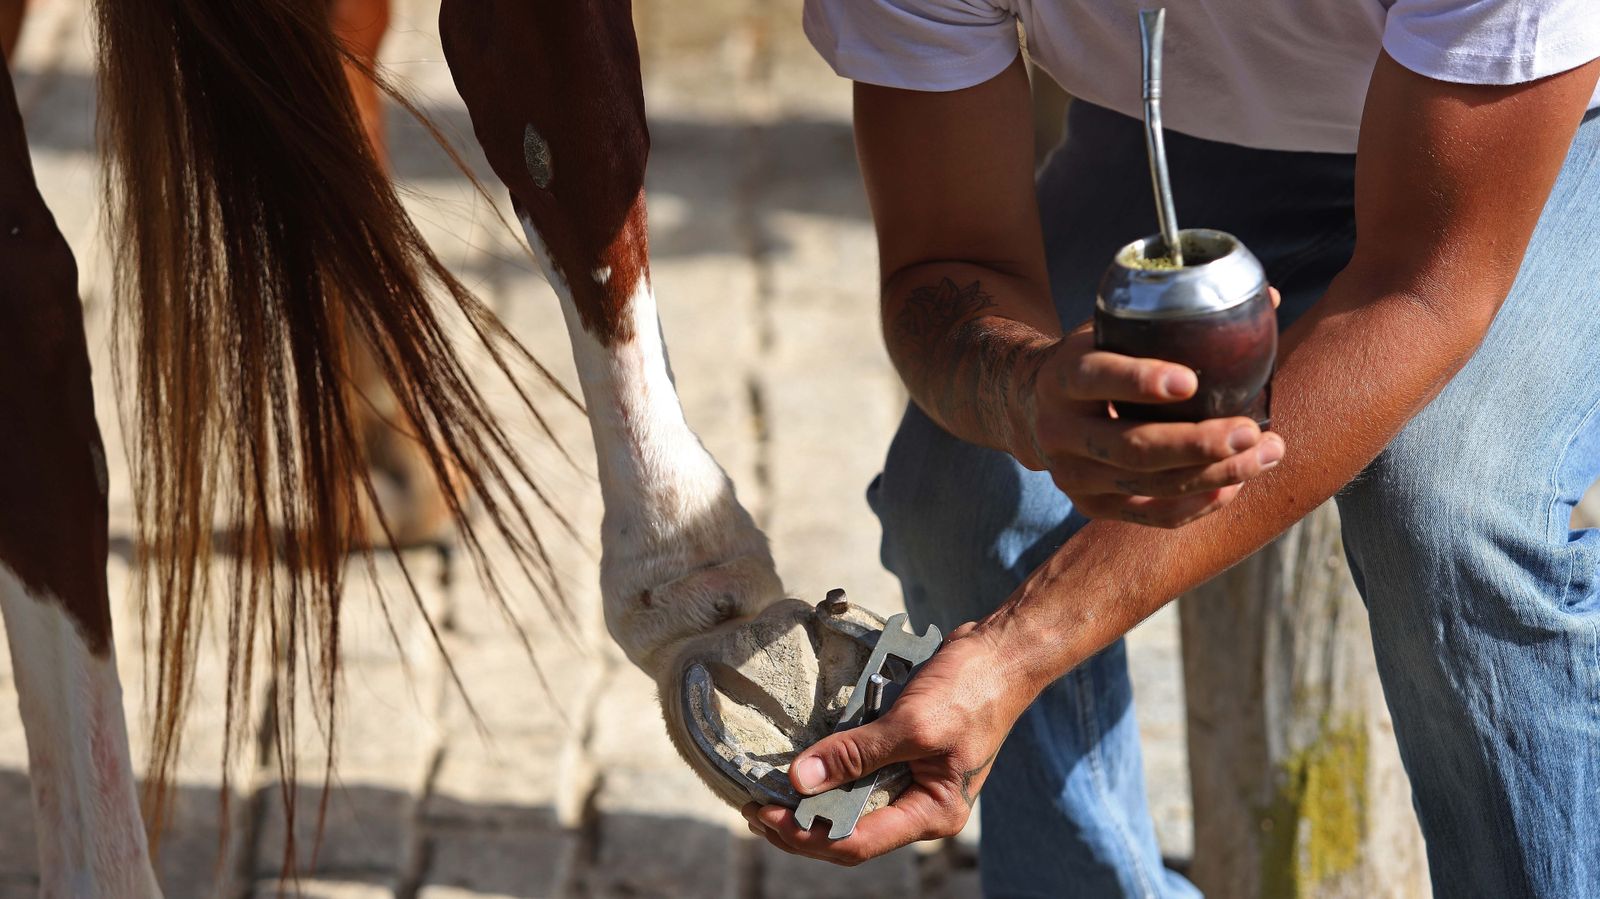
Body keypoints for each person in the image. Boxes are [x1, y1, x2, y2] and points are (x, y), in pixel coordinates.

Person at [739, 1, 1600, 895]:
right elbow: (945, 262)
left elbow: (1422, 290)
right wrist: (1031, 395)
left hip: (1553, 122)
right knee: (966, 487)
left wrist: (1013, 648)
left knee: (1448, 503)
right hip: (1196, 136)